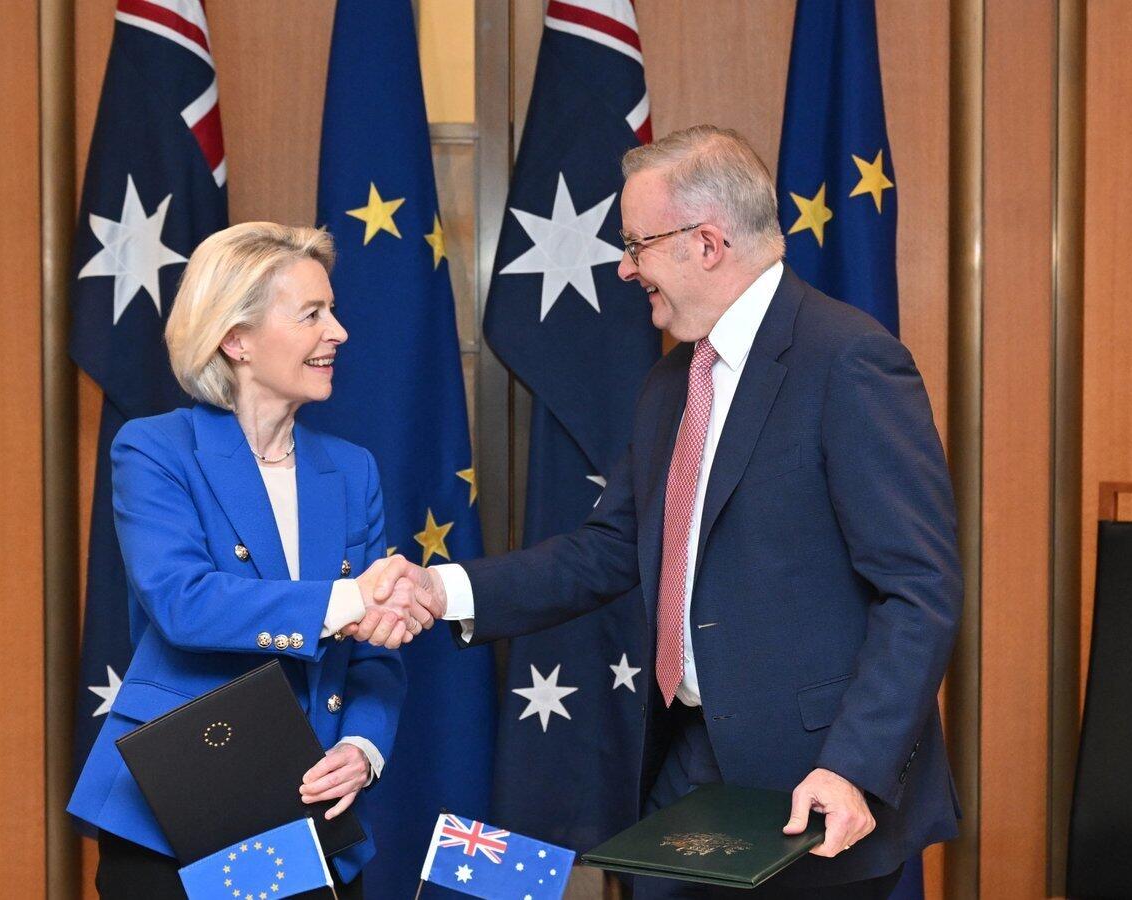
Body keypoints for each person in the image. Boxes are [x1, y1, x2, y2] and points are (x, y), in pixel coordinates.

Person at [360, 126, 962, 898]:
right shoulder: (673, 381)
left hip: (815, 779)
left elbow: (919, 589)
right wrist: (441, 590)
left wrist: (852, 767)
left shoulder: (846, 359)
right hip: (687, 760)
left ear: (706, 243)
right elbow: (609, 549)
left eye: (637, 244)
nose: (624, 266)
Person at [68, 222, 432, 898]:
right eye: (311, 314)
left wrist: (362, 749)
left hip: (311, 813)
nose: (339, 332)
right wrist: (352, 600)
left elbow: (375, 653)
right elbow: (184, 603)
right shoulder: (155, 449)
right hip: (178, 812)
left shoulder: (352, 470)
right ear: (236, 339)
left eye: (332, 311)